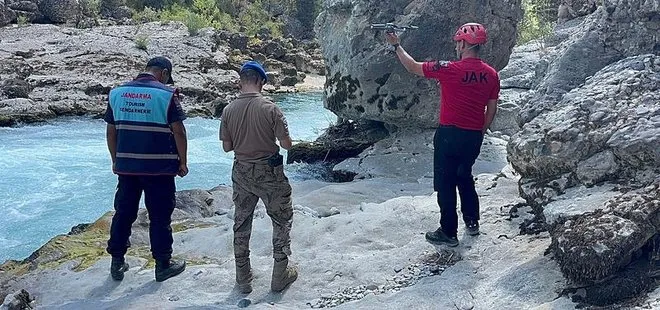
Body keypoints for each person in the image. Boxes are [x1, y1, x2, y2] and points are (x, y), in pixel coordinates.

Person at [385, 23, 500, 247]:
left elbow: (413, 67)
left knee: (446, 183)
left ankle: (448, 232)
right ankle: (472, 221)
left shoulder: (450, 69)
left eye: (458, 42)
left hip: (449, 134)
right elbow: (492, 108)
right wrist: (480, 131)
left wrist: (396, 45)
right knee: (464, 175)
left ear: (465, 43)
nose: (457, 46)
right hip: (473, 135)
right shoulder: (491, 74)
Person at [104, 56, 188, 282]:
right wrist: (182, 162)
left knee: (123, 213)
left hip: (127, 167)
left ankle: (117, 262)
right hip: (159, 168)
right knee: (160, 216)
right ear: (164, 73)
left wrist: (115, 160)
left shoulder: (117, 94)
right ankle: (163, 265)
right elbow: (179, 131)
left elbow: (111, 132)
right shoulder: (167, 95)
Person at [219, 61, 297, 294]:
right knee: (281, 219)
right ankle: (280, 274)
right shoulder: (271, 108)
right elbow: (287, 145)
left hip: (241, 170)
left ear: (240, 81)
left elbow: (226, 147)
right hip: (269, 172)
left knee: (242, 222)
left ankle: (243, 278)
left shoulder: (228, 110)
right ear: (261, 81)